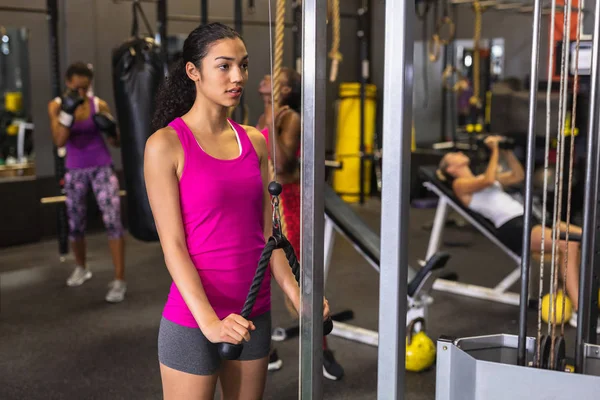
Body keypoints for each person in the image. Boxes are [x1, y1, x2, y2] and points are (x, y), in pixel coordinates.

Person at [144, 22, 331, 399]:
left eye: (243, 66)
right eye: (224, 66)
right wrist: (211, 323)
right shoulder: (166, 145)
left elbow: (267, 236)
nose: (237, 77)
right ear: (193, 71)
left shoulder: (255, 142)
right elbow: (174, 246)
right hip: (195, 316)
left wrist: (295, 293)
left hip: (252, 310)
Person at [436, 135, 600, 331]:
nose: (459, 152)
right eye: (454, 154)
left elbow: (518, 175)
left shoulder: (481, 179)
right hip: (513, 227)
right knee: (568, 243)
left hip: (529, 220)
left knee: (586, 235)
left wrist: (507, 151)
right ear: (451, 169)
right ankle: (579, 312)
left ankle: (572, 293)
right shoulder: (460, 185)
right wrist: (495, 149)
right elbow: (489, 179)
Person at [255, 68, 345, 380]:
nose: (264, 79)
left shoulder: (289, 117)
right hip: (264, 204)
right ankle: (264, 351)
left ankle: (321, 350)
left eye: (273, 77)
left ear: (286, 89)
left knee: (296, 280)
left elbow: (280, 163)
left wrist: (270, 121)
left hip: (288, 203)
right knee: (256, 276)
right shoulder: (266, 113)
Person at [48, 62, 127, 303]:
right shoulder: (57, 106)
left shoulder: (98, 104)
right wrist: (68, 114)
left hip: (101, 166)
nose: (82, 93)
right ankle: (81, 267)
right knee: (76, 224)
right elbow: (60, 141)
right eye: (78, 87)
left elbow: (116, 142)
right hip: (75, 170)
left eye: (86, 87)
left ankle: (119, 280)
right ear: (68, 83)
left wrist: (112, 129)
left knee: (113, 220)